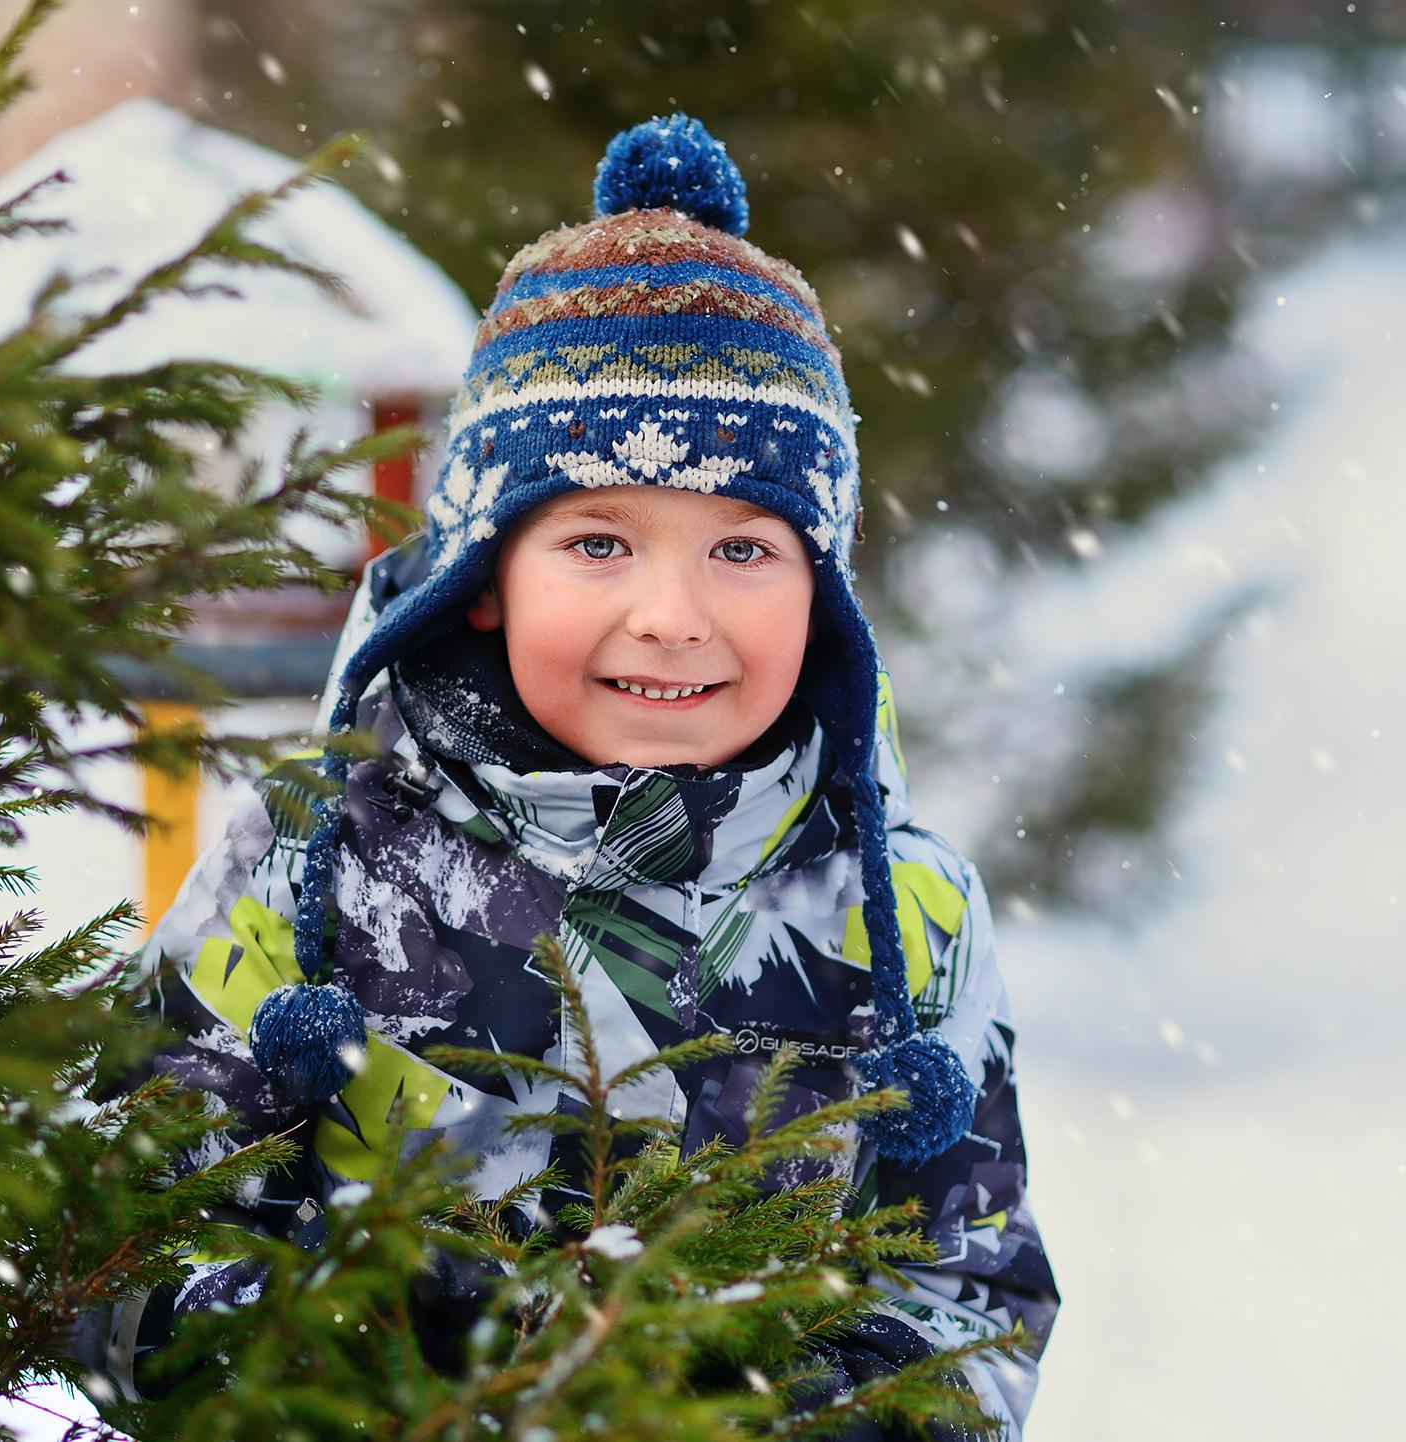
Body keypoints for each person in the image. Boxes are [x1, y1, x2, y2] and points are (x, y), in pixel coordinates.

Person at [71, 113, 1058, 1437]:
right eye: (599, 542)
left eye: (744, 550)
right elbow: (127, 1236)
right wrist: (325, 1355)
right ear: (483, 582)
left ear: (822, 593)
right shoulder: (322, 859)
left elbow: (968, 1287)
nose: (671, 613)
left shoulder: (901, 911)